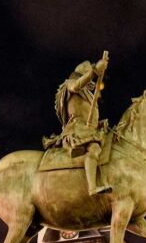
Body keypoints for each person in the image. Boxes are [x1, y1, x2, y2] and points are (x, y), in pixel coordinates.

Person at [43, 54, 111, 195]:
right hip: (76, 130)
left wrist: (99, 125)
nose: (91, 82)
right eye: (88, 75)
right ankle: (92, 188)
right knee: (94, 149)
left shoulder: (89, 95)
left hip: (89, 130)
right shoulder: (71, 83)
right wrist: (95, 71)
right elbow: (76, 86)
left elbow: (89, 118)